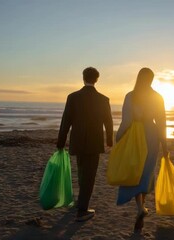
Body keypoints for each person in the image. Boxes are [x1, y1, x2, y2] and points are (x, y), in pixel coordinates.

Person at [56, 67, 113, 222]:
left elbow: (65, 121)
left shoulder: (73, 97)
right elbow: (108, 122)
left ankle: (81, 202)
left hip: (78, 141)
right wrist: (109, 140)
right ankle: (82, 210)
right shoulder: (103, 99)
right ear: (97, 79)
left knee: (82, 172)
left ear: (83, 78)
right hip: (94, 142)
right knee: (89, 175)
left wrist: (61, 141)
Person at [116, 68, 168, 233]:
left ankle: (140, 206)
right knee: (146, 172)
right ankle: (142, 206)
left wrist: (118, 138)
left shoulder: (130, 96)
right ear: (152, 80)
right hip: (151, 135)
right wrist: (165, 144)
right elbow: (161, 123)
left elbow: (126, 121)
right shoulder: (158, 97)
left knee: (135, 170)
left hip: (134, 134)